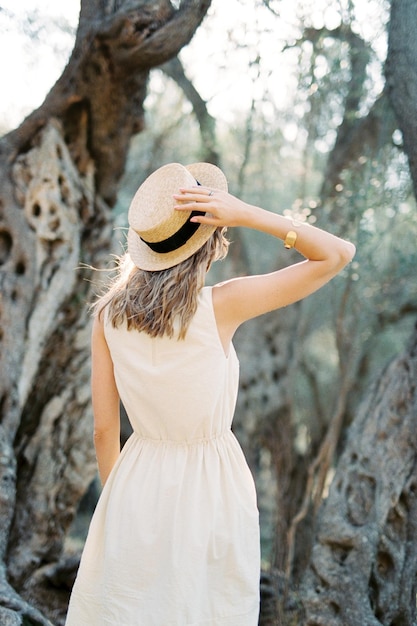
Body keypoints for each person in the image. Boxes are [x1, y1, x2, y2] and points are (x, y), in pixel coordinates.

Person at [65, 162, 355, 626]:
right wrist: (248, 214)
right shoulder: (222, 304)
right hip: (211, 486)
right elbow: (338, 254)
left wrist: (118, 499)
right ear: (210, 238)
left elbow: (105, 429)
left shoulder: (107, 316)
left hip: (136, 482)